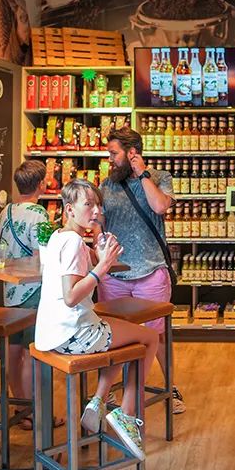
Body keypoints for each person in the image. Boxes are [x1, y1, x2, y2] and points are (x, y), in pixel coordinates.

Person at [35, 179, 158, 460]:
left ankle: (99, 401)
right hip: (74, 334)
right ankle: (126, 413)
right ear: (69, 209)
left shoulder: (59, 237)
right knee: (149, 338)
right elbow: (71, 296)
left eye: (98, 205)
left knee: (123, 338)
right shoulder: (73, 243)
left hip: (51, 333)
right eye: (88, 204)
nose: (96, 211)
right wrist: (102, 266)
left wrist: (99, 256)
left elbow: (78, 267)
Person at [98, 126, 184, 413]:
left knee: (157, 335)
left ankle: (170, 388)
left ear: (132, 153)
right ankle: (111, 393)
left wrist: (142, 173)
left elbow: (159, 207)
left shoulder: (160, 178)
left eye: (114, 153)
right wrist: (99, 240)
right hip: (114, 276)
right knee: (113, 334)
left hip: (151, 272)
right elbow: (99, 221)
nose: (109, 159)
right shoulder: (107, 184)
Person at [0, 159, 59, 430]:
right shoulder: (39, 214)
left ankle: (21, 410)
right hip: (34, 289)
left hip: (11, 289)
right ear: (41, 184)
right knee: (34, 352)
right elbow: (42, 255)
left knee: (13, 351)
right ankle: (39, 412)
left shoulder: (6, 211)